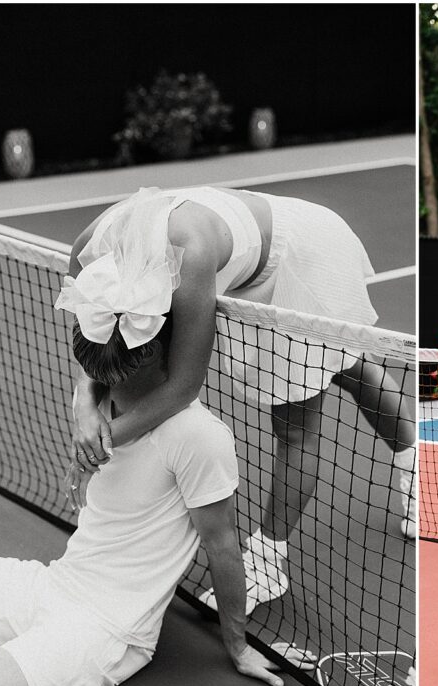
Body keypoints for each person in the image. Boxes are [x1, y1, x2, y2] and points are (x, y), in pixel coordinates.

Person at [0, 291, 311, 686]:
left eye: (111, 368)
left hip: (104, 630)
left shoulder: (199, 438)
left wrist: (237, 647)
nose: (100, 377)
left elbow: (223, 548)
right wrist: (85, 398)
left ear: (153, 350)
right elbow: (94, 368)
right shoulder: (99, 398)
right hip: (54, 583)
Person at [58, 186, 417, 615]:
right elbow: (93, 344)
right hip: (238, 256)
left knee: (296, 423)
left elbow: (182, 387)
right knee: (348, 367)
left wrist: (97, 447)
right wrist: (84, 403)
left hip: (303, 257)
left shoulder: (189, 258)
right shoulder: (88, 253)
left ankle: (268, 562)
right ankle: (417, 459)